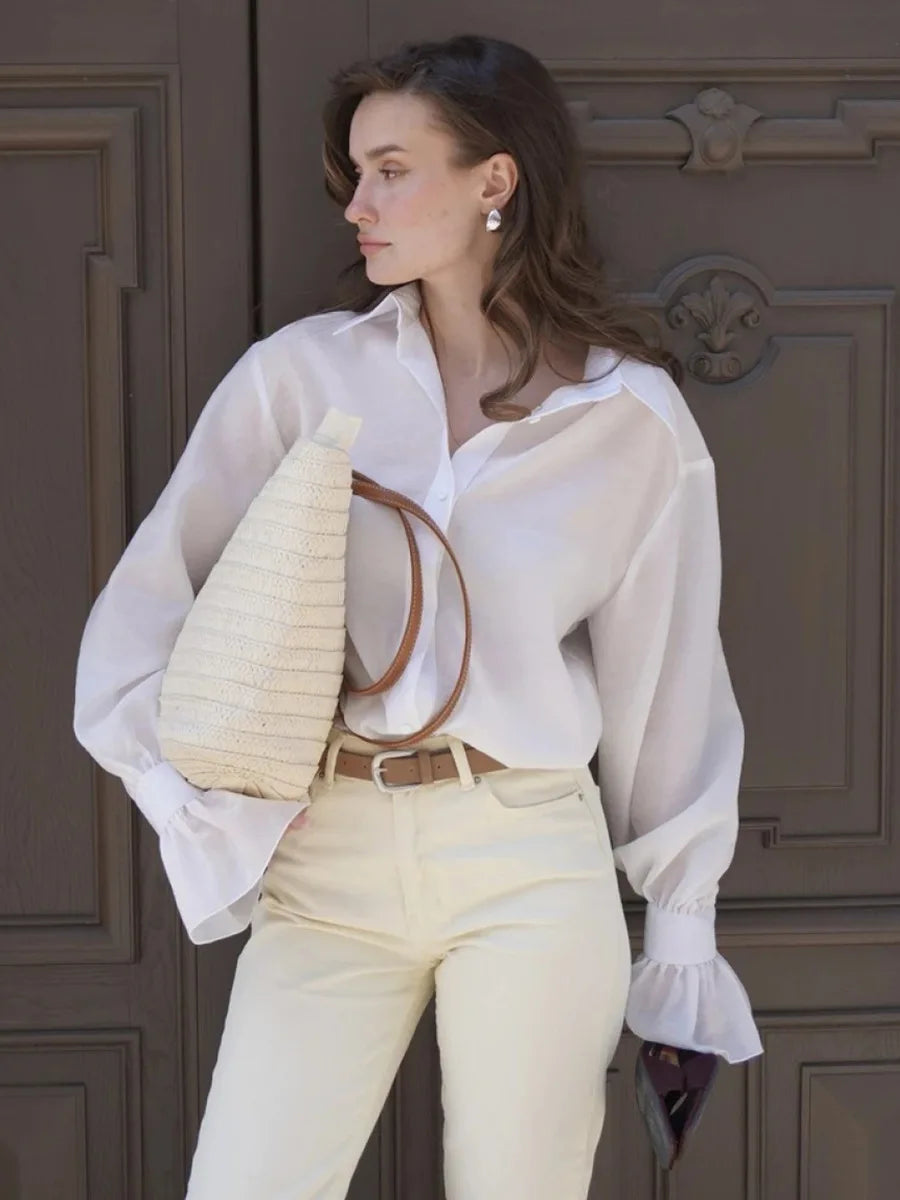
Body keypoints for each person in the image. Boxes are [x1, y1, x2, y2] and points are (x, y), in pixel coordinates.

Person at [72, 32, 763, 1200]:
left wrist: (680, 927)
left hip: (527, 851)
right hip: (326, 851)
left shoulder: (629, 421)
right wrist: (194, 804)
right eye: (356, 174)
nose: (359, 206)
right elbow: (146, 612)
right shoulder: (299, 378)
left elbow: (669, 685)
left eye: (392, 170)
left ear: (495, 180)